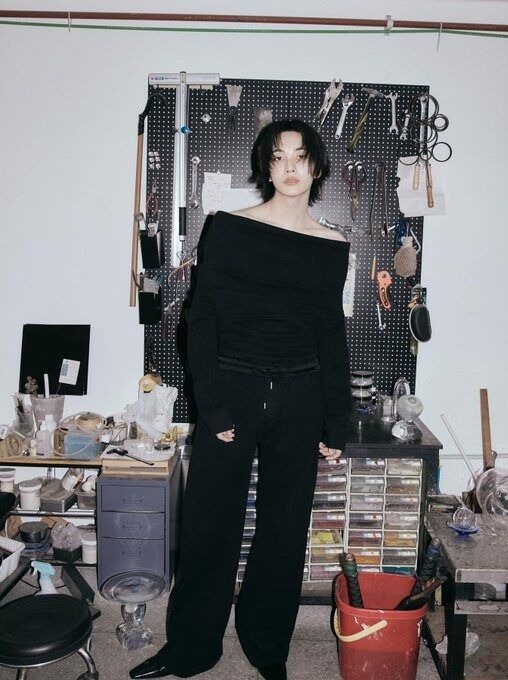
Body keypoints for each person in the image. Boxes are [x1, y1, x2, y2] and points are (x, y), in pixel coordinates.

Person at [130, 119, 352, 680]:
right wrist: (212, 403)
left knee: (284, 530)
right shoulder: (228, 228)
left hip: (300, 396)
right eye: (278, 157)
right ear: (266, 167)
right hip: (233, 389)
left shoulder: (332, 246)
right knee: (209, 524)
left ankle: (267, 646)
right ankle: (191, 648)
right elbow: (201, 317)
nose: (290, 167)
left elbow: (330, 333)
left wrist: (337, 418)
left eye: (300, 156)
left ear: (316, 166)